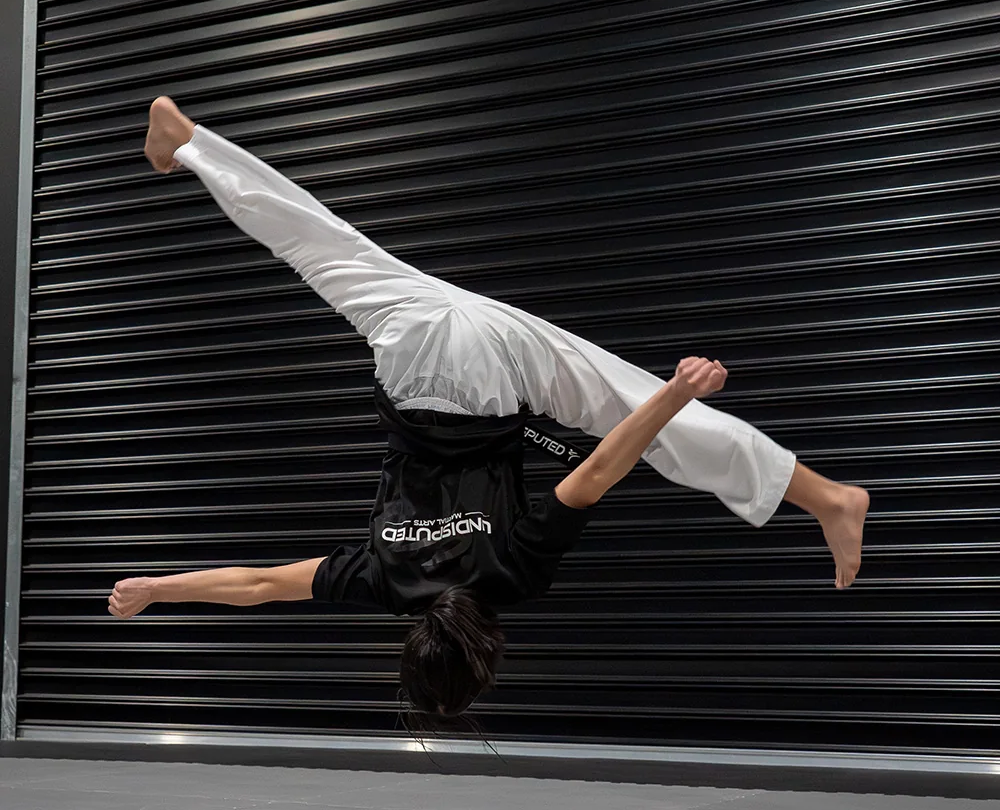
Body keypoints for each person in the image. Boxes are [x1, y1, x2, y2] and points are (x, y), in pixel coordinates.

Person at [108, 97, 869, 719]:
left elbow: (598, 471)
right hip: (411, 352)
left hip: (492, 368)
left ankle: (827, 497)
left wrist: (671, 394)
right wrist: (153, 590)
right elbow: (259, 584)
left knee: (635, 409)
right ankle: (189, 143)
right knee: (318, 244)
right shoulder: (383, 582)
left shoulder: (510, 579)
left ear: (489, 651)